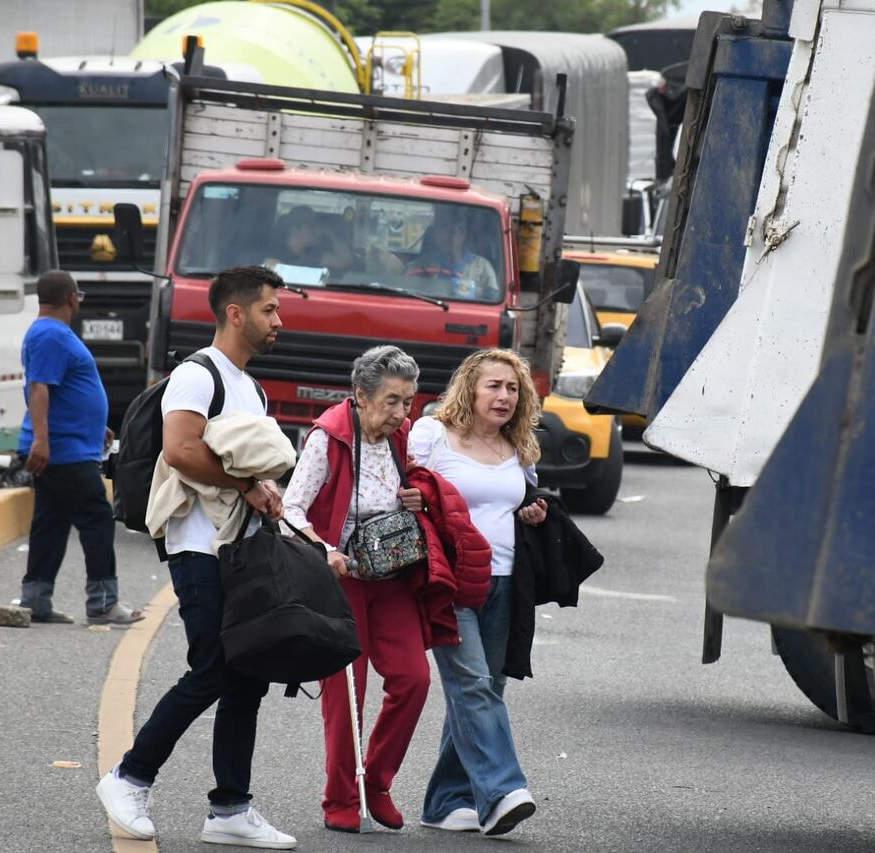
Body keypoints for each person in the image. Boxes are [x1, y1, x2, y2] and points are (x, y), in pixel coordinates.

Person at [96, 266, 297, 850]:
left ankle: (230, 808)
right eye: (269, 310)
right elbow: (181, 451)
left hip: (235, 547)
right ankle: (128, 778)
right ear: (236, 313)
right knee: (211, 667)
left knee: (247, 676)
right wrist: (247, 486)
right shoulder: (197, 375)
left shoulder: (251, 387)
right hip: (195, 545)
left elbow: (246, 464)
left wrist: (264, 490)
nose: (278, 321)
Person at [281, 345, 491, 833]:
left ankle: (375, 779)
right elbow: (291, 510)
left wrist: (420, 495)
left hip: (393, 573)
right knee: (345, 690)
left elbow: (415, 481)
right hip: (343, 579)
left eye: (409, 401)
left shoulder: (398, 436)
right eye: (393, 401)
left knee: (413, 680)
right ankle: (339, 797)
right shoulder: (328, 438)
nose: (403, 414)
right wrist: (325, 549)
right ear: (360, 396)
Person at [410, 348, 549, 837]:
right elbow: (403, 487)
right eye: (493, 385)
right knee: (470, 684)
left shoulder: (519, 448)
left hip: (506, 580)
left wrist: (531, 512)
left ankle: (446, 802)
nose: (504, 396)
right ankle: (503, 789)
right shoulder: (433, 435)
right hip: (448, 578)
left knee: (484, 689)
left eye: (512, 388)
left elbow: (520, 501)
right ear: (470, 387)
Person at [17, 270, 142, 626]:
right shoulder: (50, 335)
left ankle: (36, 600)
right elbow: (39, 388)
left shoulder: (50, 334)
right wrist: (42, 440)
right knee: (98, 520)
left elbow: (62, 389)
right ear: (72, 297)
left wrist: (93, 425)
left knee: (51, 522)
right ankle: (103, 602)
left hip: (67, 443)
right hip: (63, 450)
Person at [409, 215, 500, 301]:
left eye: (455, 231)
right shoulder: (419, 266)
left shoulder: (482, 267)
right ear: (436, 234)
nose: (451, 237)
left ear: (463, 235)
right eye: (444, 229)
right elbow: (404, 294)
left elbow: (492, 300)